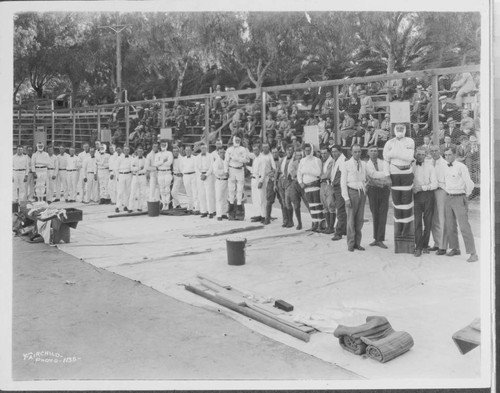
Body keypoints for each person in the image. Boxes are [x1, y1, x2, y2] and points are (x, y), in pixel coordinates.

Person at [441, 147, 478, 262]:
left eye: (450, 154)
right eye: (446, 155)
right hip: (448, 197)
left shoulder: (462, 167)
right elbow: (443, 182)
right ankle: (455, 248)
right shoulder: (444, 167)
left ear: (455, 155)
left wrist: (465, 195)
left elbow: (470, 183)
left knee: (464, 226)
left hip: (459, 198)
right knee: (450, 225)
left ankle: (473, 253)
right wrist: (448, 191)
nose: (447, 157)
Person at [383, 123, 416, 253]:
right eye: (398, 129)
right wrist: (387, 176)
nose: (400, 130)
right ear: (394, 130)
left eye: (402, 128)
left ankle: (406, 229)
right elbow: (386, 160)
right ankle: (399, 228)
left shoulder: (410, 141)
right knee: (397, 203)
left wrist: (393, 154)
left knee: (407, 204)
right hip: (394, 174)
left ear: (405, 130)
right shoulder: (389, 143)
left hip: (407, 174)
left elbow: (408, 157)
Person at [340, 144, 367, 251]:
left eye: (359, 151)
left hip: (362, 193)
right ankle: (350, 244)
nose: (357, 154)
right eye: (355, 152)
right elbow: (343, 183)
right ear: (351, 152)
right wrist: (346, 198)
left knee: (359, 220)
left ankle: (357, 243)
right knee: (351, 220)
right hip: (351, 193)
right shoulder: (346, 164)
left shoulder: (364, 164)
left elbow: (371, 174)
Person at [412, 147, 437, 257]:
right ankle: (418, 247)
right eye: (418, 154)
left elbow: (434, 184)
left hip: (428, 195)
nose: (420, 156)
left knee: (428, 222)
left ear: (426, 155)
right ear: (415, 154)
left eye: (423, 154)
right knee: (417, 223)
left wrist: (422, 188)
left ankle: (425, 245)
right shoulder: (411, 166)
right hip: (416, 197)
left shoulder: (430, 167)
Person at [365, 145, 391, 249]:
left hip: (384, 190)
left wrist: (379, 176)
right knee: (375, 213)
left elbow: (384, 175)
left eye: (375, 151)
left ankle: (380, 239)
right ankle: (376, 238)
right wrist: (384, 175)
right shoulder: (367, 164)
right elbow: (372, 174)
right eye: (371, 151)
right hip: (372, 191)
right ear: (368, 153)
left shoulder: (383, 162)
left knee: (383, 214)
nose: (374, 153)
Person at [297, 143, 324, 232]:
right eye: (306, 150)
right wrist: (301, 182)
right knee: (311, 205)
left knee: (317, 205)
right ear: (304, 151)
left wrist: (307, 171)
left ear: (311, 150)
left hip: (315, 185)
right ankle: (314, 223)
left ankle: (320, 224)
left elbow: (318, 173)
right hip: (306, 186)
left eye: (309, 150)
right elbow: (299, 173)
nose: (308, 152)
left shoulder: (317, 160)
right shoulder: (302, 161)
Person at [224, 134, 250, 220]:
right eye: (236, 140)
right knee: (231, 189)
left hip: (240, 169)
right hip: (231, 169)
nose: (237, 141)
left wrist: (236, 158)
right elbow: (226, 161)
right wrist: (226, 171)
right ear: (233, 140)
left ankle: (239, 205)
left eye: (239, 140)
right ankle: (231, 204)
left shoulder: (243, 149)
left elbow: (246, 159)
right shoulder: (229, 149)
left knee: (240, 188)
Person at [330, 145, 347, 241]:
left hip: (341, 188)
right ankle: (344, 230)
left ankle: (338, 232)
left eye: (335, 151)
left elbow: (342, 176)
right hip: (336, 187)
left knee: (340, 210)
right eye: (332, 152)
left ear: (340, 151)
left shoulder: (343, 160)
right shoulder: (336, 160)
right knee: (340, 210)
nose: (333, 153)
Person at [195, 142, 216, 218]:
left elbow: (211, 167)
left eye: (205, 148)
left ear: (206, 148)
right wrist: (201, 175)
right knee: (201, 194)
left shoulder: (210, 156)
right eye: (202, 148)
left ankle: (211, 211)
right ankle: (203, 211)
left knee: (209, 194)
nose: (203, 149)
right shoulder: (197, 157)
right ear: (200, 148)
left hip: (208, 176)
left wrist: (206, 175)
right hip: (200, 176)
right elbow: (196, 168)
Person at [276, 145, 295, 228]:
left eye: (291, 150)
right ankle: (285, 220)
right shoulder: (282, 160)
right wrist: (275, 183)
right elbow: (277, 170)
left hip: (289, 181)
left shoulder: (295, 160)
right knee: (283, 202)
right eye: (288, 150)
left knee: (288, 201)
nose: (289, 152)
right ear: (286, 151)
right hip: (281, 181)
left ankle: (291, 221)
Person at [285, 149, 304, 230]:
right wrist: (300, 172)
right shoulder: (293, 163)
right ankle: (299, 223)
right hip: (295, 184)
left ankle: (316, 223)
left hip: (304, 185)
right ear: (295, 156)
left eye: (300, 155)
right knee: (296, 205)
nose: (299, 157)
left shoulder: (305, 163)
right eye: (297, 155)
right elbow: (293, 174)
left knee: (309, 204)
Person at [319, 146, 335, 234]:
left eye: (325, 153)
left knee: (330, 205)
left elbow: (327, 174)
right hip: (322, 184)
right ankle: (328, 226)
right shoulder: (322, 162)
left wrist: (319, 175)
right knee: (324, 205)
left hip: (329, 184)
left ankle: (331, 227)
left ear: (328, 153)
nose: (323, 155)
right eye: (322, 153)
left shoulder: (331, 161)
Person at [259, 143, 276, 224]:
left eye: (267, 147)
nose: (265, 148)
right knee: (261, 197)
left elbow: (274, 168)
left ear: (269, 147)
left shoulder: (270, 156)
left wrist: (271, 173)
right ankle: (262, 214)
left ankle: (267, 217)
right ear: (262, 147)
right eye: (264, 147)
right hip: (260, 178)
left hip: (269, 178)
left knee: (269, 198)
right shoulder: (260, 155)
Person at [154, 140, 174, 211]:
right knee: (162, 189)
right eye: (162, 144)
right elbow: (155, 164)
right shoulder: (157, 154)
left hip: (167, 172)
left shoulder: (169, 153)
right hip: (160, 173)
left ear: (166, 145)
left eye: (164, 144)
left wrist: (160, 163)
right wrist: (163, 161)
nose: (163, 145)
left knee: (167, 189)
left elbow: (169, 163)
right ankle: (163, 204)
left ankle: (167, 204)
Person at [128, 146, 148, 212]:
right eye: (139, 151)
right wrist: (138, 168)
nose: (140, 152)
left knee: (142, 192)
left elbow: (145, 169)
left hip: (142, 176)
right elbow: (131, 168)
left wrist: (136, 169)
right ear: (137, 151)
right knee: (133, 192)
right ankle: (130, 207)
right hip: (135, 176)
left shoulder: (145, 160)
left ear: (143, 152)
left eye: (141, 151)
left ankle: (140, 207)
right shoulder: (133, 159)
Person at [180, 145, 198, 214]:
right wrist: (185, 173)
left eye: (189, 150)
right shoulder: (183, 159)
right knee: (188, 192)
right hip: (186, 176)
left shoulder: (195, 158)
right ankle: (190, 207)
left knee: (195, 191)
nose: (187, 151)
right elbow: (181, 168)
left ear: (191, 151)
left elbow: (196, 167)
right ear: (185, 151)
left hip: (193, 175)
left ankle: (196, 207)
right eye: (186, 150)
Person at [114, 146, 133, 213]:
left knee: (128, 191)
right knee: (120, 192)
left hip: (129, 175)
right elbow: (116, 168)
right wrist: (118, 177)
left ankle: (126, 206)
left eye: (128, 150)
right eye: (125, 150)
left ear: (129, 150)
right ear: (123, 150)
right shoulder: (119, 158)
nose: (126, 151)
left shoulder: (131, 158)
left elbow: (132, 167)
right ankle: (118, 206)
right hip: (121, 175)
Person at [250, 144, 264, 222]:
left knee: (260, 198)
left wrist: (261, 181)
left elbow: (262, 171)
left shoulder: (261, 159)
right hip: (253, 179)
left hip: (258, 179)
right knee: (255, 198)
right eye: (254, 150)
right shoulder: (255, 158)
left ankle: (262, 215)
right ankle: (257, 214)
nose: (255, 151)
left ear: (259, 149)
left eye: (256, 150)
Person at [213, 148, 228, 221]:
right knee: (219, 198)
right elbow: (216, 171)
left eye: (223, 152)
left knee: (225, 197)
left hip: (226, 180)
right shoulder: (216, 161)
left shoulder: (226, 160)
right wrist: (224, 172)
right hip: (220, 180)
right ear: (218, 153)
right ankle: (219, 214)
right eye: (221, 152)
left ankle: (224, 213)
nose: (222, 154)